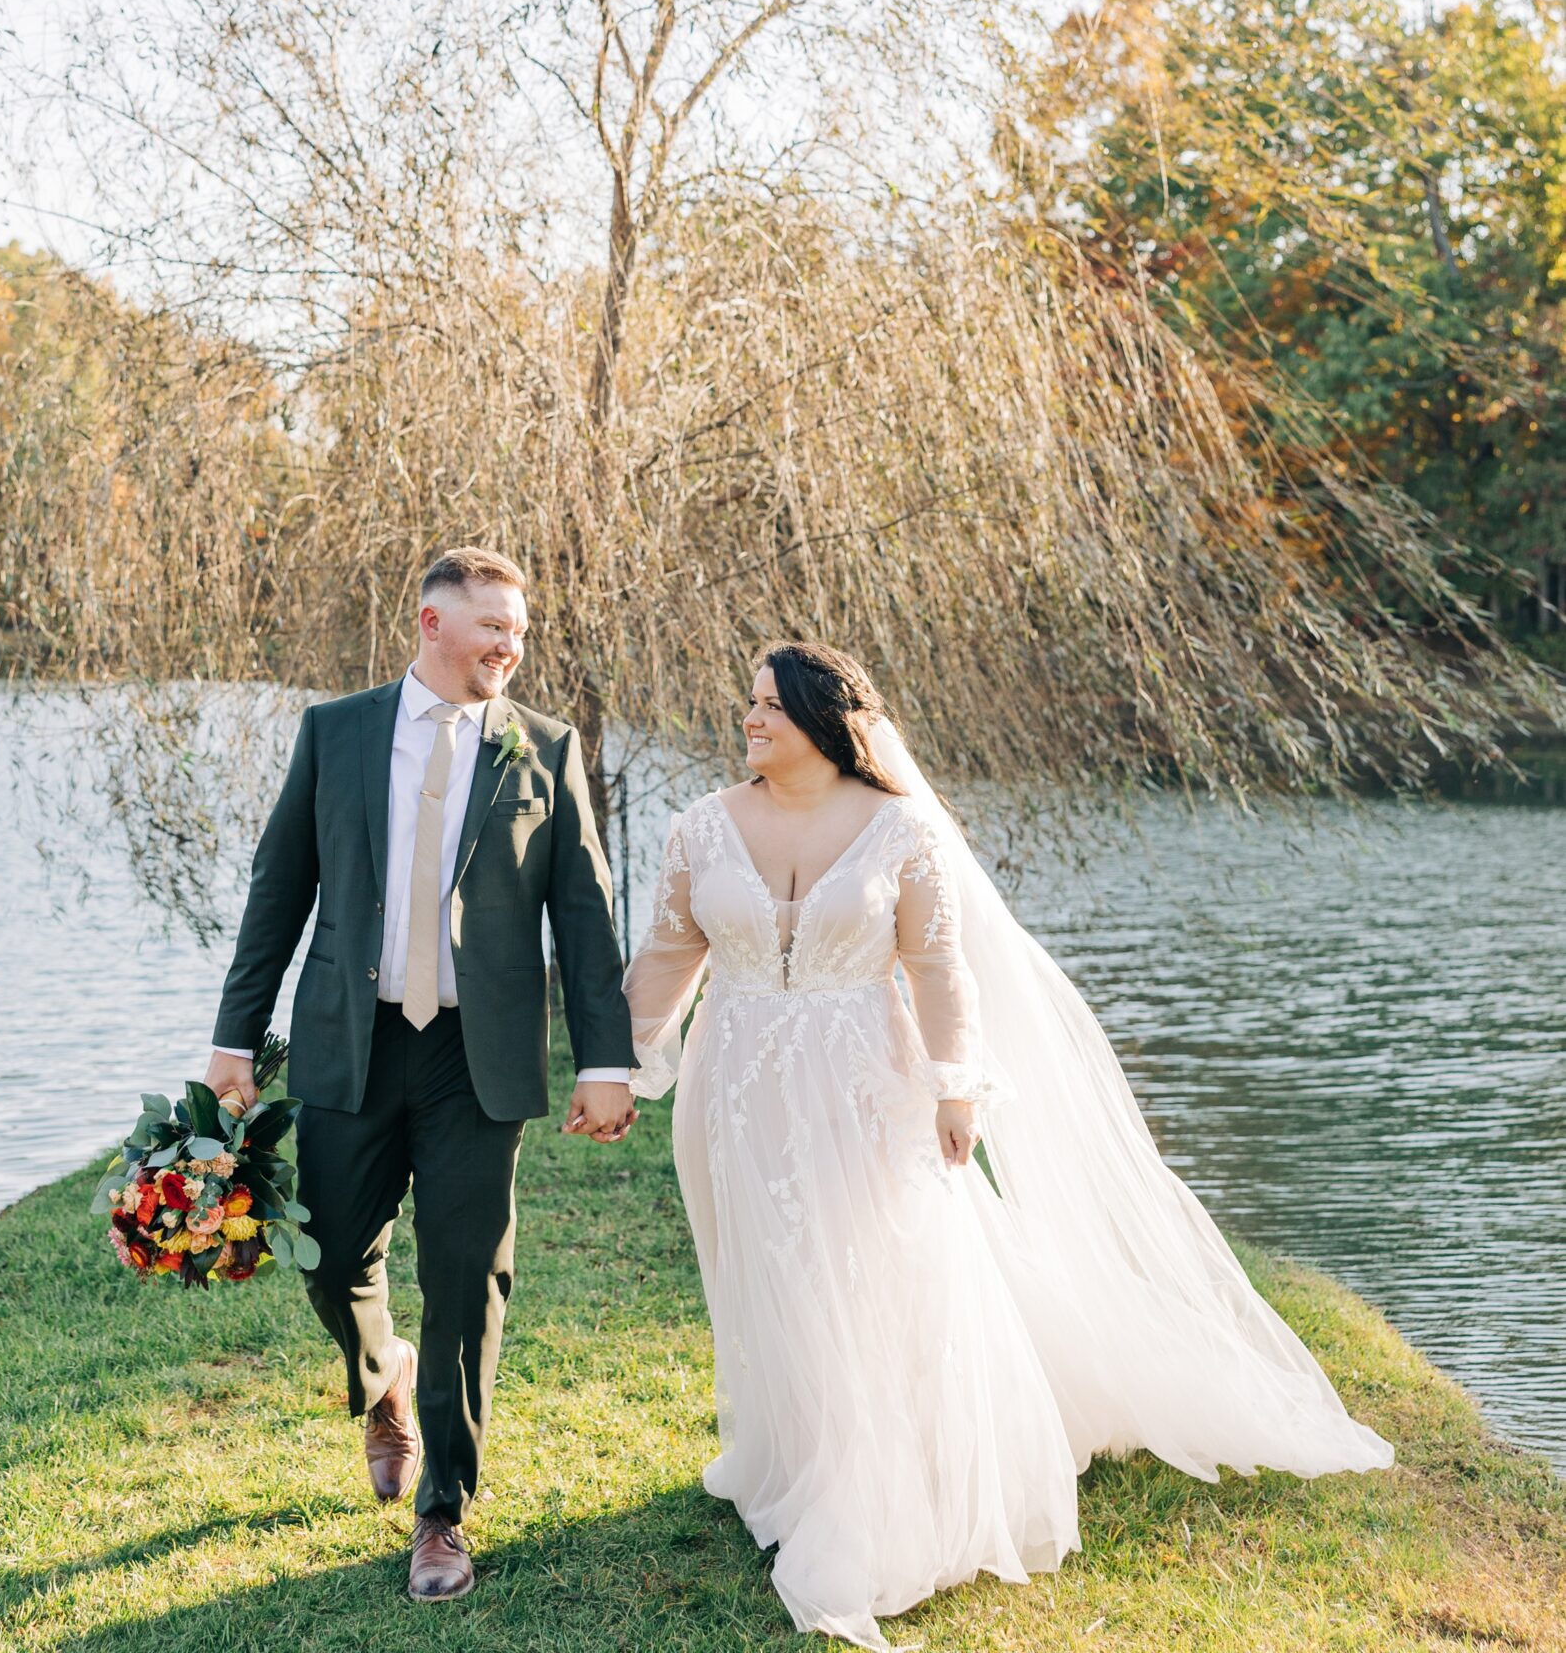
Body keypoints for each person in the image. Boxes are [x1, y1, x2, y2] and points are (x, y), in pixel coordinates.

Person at [622, 640, 1393, 1652]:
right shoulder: (701, 827)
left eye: (769, 706)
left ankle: (874, 1482)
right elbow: (672, 952)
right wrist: (621, 1067)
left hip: (867, 1081)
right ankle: (790, 1449)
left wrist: (955, 1083)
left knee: (872, 1272)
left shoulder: (899, 827)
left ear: (822, 721)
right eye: (749, 704)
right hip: (734, 1086)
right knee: (767, 1265)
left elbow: (939, 968)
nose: (749, 719)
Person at [204, 546, 636, 1605]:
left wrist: (607, 1059)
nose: (509, 645)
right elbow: (279, 892)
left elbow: (583, 915)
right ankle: (383, 1374)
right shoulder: (336, 732)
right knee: (329, 1250)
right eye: (492, 625)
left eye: (520, 631)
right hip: (351, 1038)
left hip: (474, 1055)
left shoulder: (546, 748)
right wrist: (232, 1038)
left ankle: (443, 1509)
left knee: (464, 1275)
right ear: (431, 622)